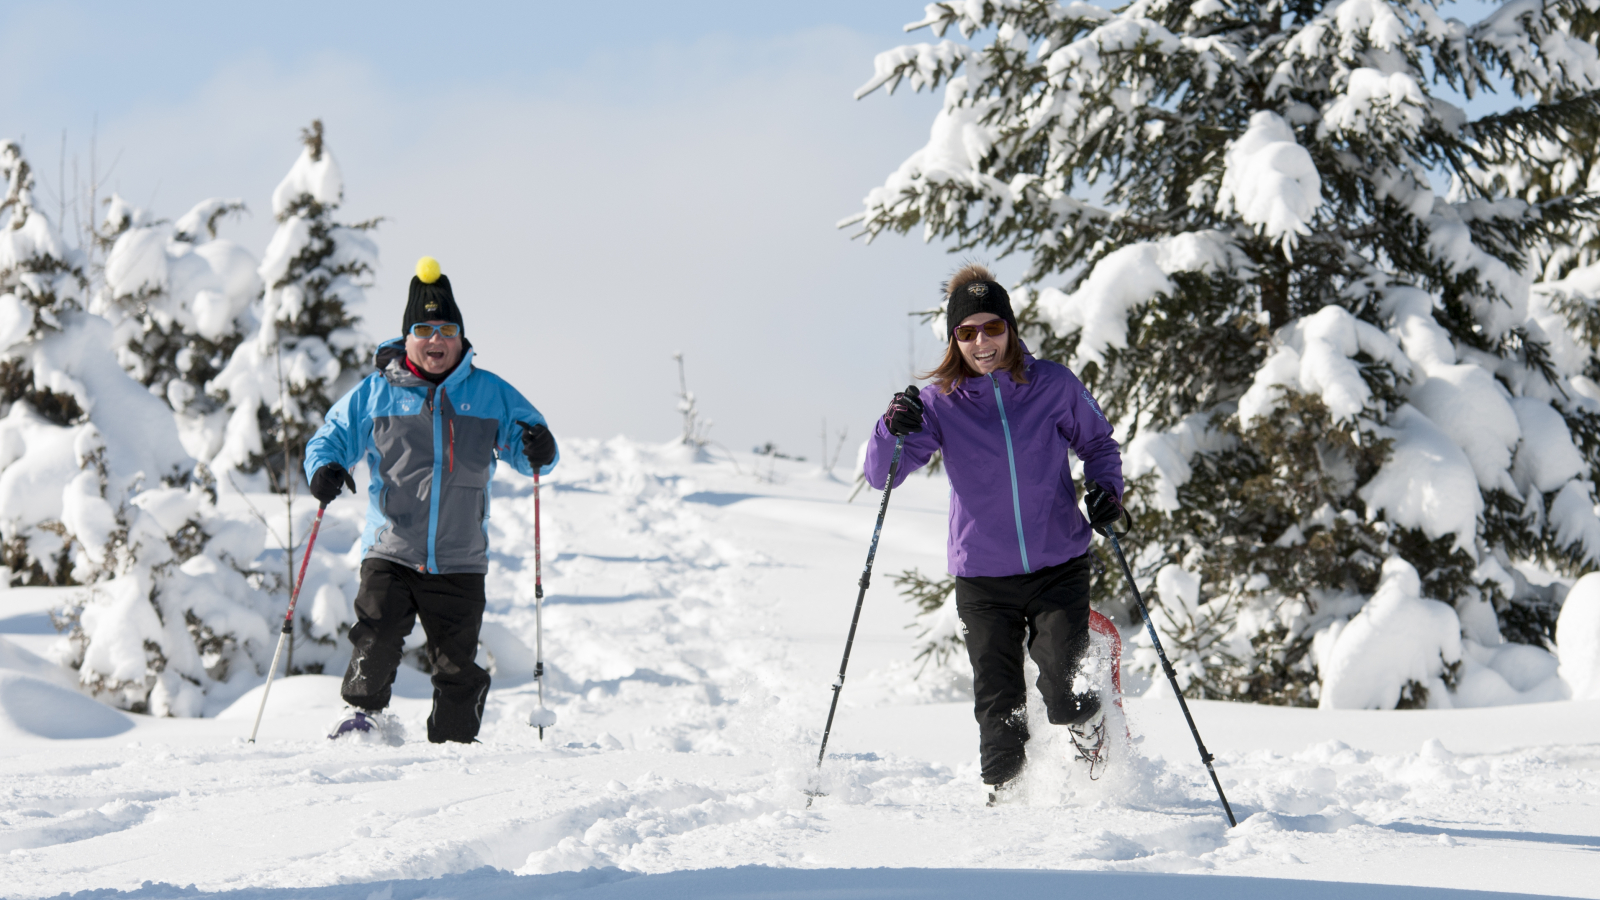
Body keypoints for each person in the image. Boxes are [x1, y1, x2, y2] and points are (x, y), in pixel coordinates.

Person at [864, 264, 1124, 803]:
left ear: (1010, 327)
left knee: (1063, 689)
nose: (982, 342)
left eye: (992, 328)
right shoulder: (938, 403)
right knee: (997, 700)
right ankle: (1006, 797)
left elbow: (1099, 445)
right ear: (954, 338)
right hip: (982, 576)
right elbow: (881, 473)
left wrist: (1105, 491)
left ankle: (1097, 753)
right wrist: (893, 426)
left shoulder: (1054, 384)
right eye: (967, 332)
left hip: (1058, 562)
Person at [305, 256, 558, 743]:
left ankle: (455, 746)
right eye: (424, 328)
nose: (436, 340)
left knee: (458, 663)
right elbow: (329, 440)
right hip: (392, 545)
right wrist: (326, 469)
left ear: (461, 338)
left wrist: (539, 448)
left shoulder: (490, 393)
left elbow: (535, 452)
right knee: (375, 635)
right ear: (408, 338)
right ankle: (361, 719)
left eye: (446, 329)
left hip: (461, 556)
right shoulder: (377, 393)